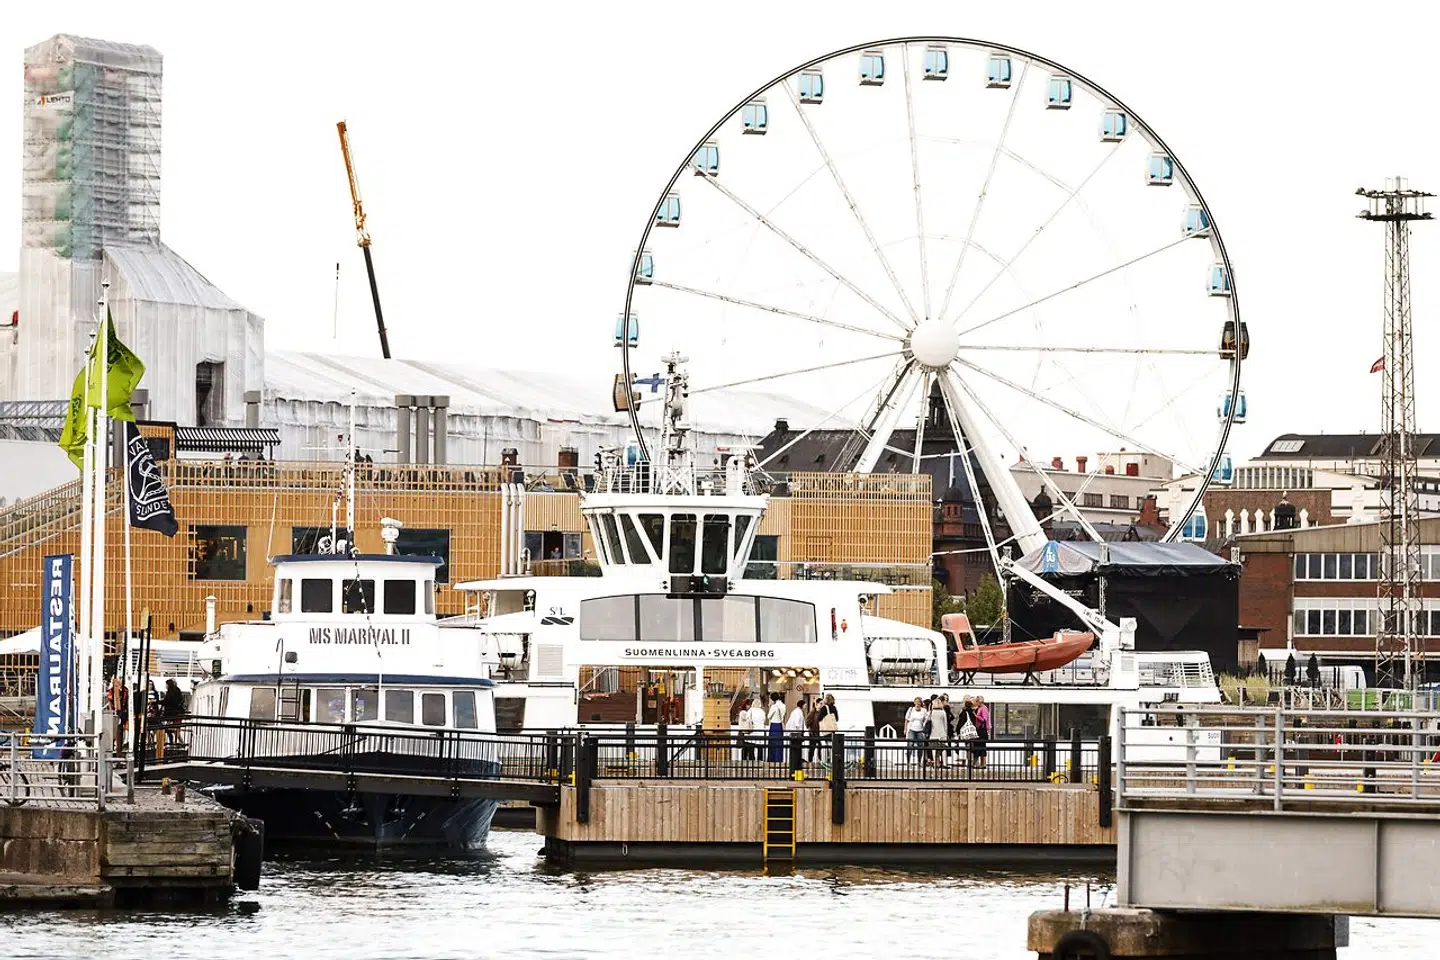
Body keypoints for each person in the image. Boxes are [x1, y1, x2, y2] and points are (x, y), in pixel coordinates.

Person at [928, 695, 951, 767]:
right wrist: (946, 732)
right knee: (943, 748)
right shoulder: (943, 712)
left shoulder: (931, 713)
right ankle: (944, 763)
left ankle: (936, 762)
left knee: (934, 748)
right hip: (942, 733)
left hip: (933, 733)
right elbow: (945, 724)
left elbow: (927, 722)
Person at [905, 697, 929, 763]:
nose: (918, 704)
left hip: (920, 729)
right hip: (912, 729)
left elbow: (926, 719)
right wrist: (905, 729)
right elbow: (906, 720)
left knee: (920, 746)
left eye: (919, 702)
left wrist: (924, 726)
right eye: (916, 702)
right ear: (914, 703)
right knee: (910, 745)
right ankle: (908, 761)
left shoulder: (923, 710)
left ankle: (919, 761)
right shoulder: (911, 709)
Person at [746, 697, 767, 763]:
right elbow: (764, 720)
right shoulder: (762, 712)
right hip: (760, 731)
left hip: (752, 731)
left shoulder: (750, 710)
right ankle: (760, 760)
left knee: (751, 746)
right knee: (760, 747)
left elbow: (747, 719)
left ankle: (751, 760)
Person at [973, 695, 991, 770]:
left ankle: (983, 763)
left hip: (982, 730)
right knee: (980, 746)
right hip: (980, 729)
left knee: (981, 746)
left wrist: (976, 716)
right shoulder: (980, 708)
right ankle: (980, 763)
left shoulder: (983, 708)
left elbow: (984, 719)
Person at [766, 695, 786, 762]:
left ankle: (772, 759)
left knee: (772, 743)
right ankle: (779, 759)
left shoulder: (774, 706)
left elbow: (768, 716)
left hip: (774, 725)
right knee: (779, 743)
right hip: (780, 725)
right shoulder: (783, 705)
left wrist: (770, 707)